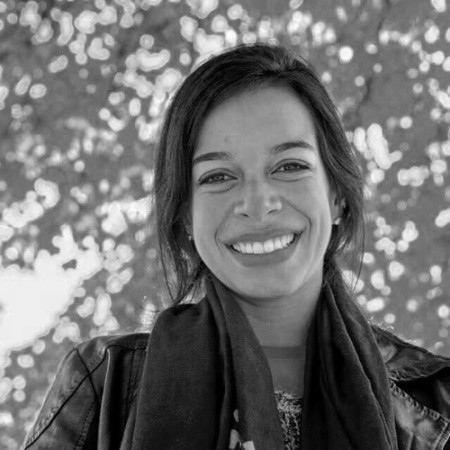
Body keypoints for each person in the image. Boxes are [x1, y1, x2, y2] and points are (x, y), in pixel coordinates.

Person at [23, 43, 450, 450]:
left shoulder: (438, 398)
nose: (258, 205)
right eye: (218, 176)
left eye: (289, 166)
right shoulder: (102, 383)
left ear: (337, 196)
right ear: (185, 217)